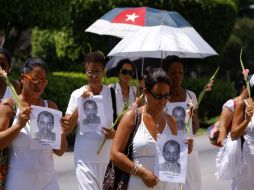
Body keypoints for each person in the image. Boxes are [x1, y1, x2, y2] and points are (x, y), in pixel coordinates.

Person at [110, 67, 193, 190]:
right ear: (146, 92)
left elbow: (172, 156)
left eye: (166, 96)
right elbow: (115, 155)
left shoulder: (172, 122)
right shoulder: (131, 117)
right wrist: (141, 173)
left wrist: (186, 149)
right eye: (158, 96)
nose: (163, 101)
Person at [0, 57, 71, 190]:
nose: (39, 84)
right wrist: (18, 125)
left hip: (48, 182)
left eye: (43, 81)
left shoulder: (50, 107)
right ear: (22, 78)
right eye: (35, 79)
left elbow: (60, 151)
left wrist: (62, 132)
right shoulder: (9, 106)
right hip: (19, 181)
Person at [65, 51, 115, 190]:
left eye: (97, 72)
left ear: (103, 72)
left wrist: (114, 134)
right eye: (89, 72)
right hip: (84, 158)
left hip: (107, 159)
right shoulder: (77, 94)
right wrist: (81, 103)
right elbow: (67, 128)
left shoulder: (112, 93)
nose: (93, 76)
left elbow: (122, 123)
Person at [164, 56, 201, 190]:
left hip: (189, 153)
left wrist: (195, 117)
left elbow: (194, 130)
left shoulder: (191, 96)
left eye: (180, 72)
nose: (177, 76)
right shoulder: (162, 99)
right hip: (170, 152)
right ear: (166, 74)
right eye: (173, 73)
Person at [216, 79, 248, 147]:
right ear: (244, 87)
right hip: (235, 144)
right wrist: (224, 147)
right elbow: (223, 126)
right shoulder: (232, 104)